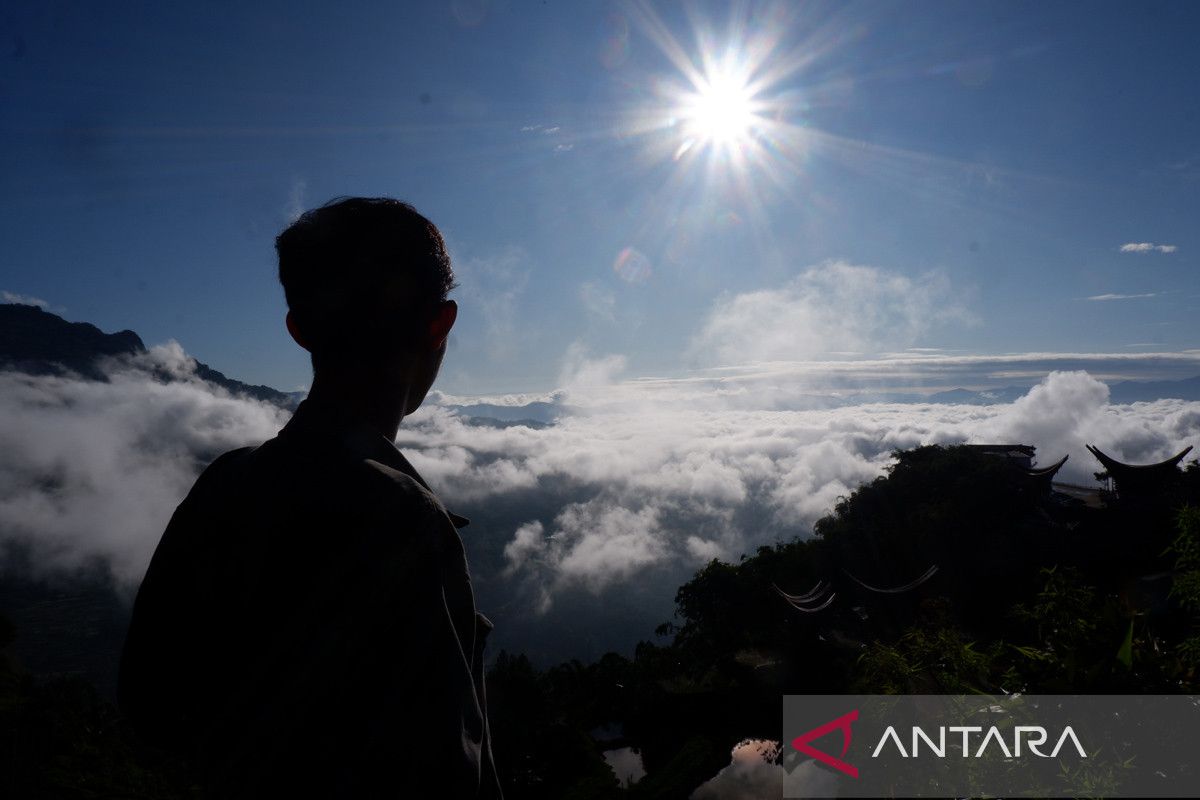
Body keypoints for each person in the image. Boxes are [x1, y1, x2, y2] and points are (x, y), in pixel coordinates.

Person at [119, 197, 502, 798]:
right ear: (439, 325)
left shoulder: (223, 485)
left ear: (298, 330)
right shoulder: (403, 519)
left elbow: (150, 710)